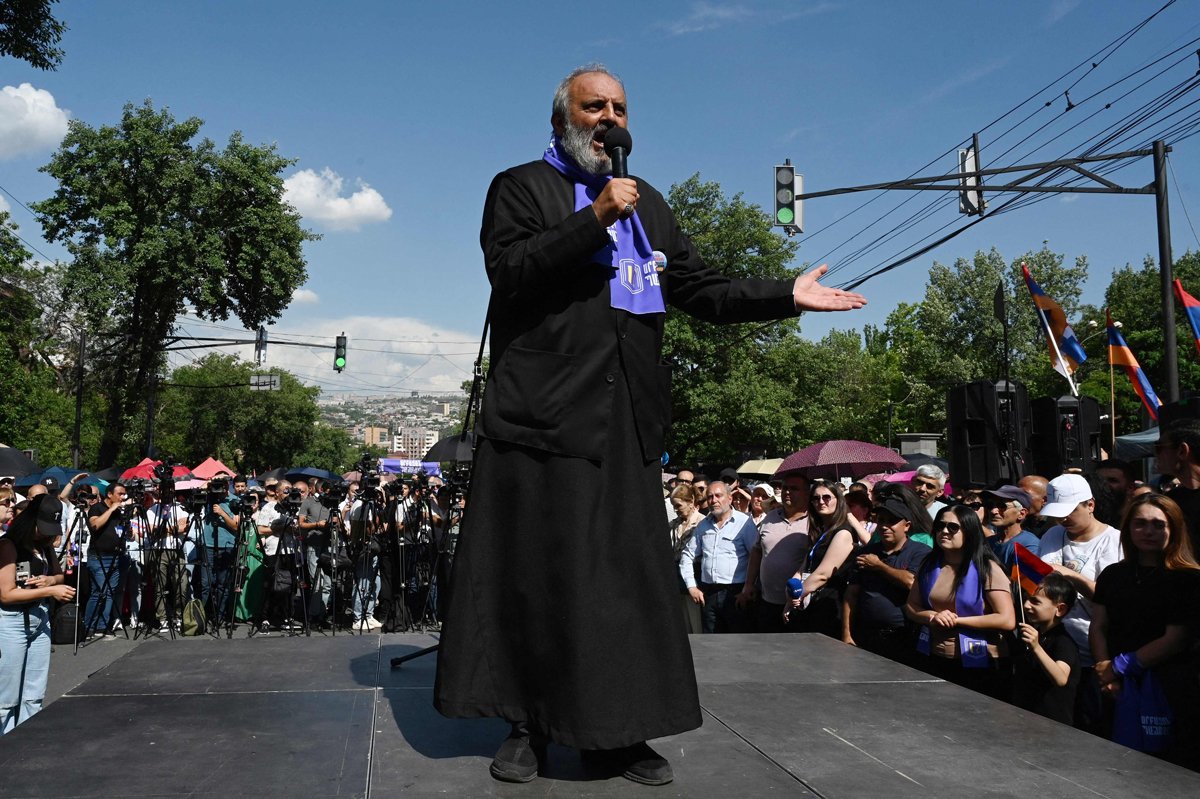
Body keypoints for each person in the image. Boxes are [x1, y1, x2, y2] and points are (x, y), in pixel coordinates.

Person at [433, 63, 866, 786]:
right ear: (562, 118)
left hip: (626, 419)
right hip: (544, 417)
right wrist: (594, 216)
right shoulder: (521, 188)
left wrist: (784, 295)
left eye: (619, 107)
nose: (609, 117)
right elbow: (510, 271)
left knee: (623, 588)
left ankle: (616, 731)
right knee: (541, 578)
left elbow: (701, 287)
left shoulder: (649, 205)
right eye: (593, 105)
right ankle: (528, 724)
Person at [1091, 494, 1200, 768]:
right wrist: (1106, 672)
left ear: (1173, 529)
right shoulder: (1113, 575)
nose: (1149, 531)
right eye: (1140, 524)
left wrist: (1119, 666)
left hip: (1171, 689)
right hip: (1118, 689)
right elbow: (1099, 626)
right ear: (1127, 528)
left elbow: (1176, 639)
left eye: (1158, 524)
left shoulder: (1188, 579)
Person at [1037, 472, 1121, 734]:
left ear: (1090, 505)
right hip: (1056, 650)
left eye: (1069, 511)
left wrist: (1070, 575)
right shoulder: (1053, 534)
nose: (1063, 519)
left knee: (1093, 723)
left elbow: (1110, 598)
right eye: (1057, 512)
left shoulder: (1113, 541)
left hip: (1094, 651)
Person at [905, 505, 1016, 700]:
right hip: (935, 658)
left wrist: (957, 621)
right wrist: (933, 616)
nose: (944, 531)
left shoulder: (987, 568)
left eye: (953, 527)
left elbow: (1006, 620)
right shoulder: (929, 565)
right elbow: (911, 607)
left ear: (969, 531)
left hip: (982, 664)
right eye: (940, 526)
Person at [0, 495, 74, 734]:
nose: (45, 534)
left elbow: (60, 575)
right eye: (42, 528)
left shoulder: (43, 546)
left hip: (39, 619)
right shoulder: (8, 545)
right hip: (11, 622)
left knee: (34, 694)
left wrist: (49, 581)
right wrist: (51, 589)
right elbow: (6, 594)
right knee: (7, 697)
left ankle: (27, 743)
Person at [842, 496, 930, 663]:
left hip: (903, 637)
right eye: (881, 520)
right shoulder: (865, 552)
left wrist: (879, 566)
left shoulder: (920, 552)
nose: (885, 526)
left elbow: (911, 582)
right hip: (866, 636)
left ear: (907, 526)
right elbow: (851, 595)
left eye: (892, 521)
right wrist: (847, 634)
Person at [678, 482, 758, 634]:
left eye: (718, 495)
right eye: (709, 497)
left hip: (736, 593)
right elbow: (687, 555)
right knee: (711, 645)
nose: (713, 500)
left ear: (729, 498)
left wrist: (749, 588)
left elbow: (757, 556)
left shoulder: (744, 523)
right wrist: (691, 587)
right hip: (709, 594)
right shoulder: (703, 526)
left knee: (739, 644)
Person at [785, 480, 859, 638]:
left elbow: (822, 575)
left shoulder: (843, 533)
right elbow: (803, 568)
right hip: (810, 604)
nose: (821, 501)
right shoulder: (821, 532)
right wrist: (790, 596)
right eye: (816, 498)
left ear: (838, 501)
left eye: (827, 497)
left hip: (830, 607)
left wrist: (796, 596)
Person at [743, 472, 810, 633]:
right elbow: (757, 552)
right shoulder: (770, 518)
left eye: (794, 488)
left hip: (798, 605)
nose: (787, 491)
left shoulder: (815, 522)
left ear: (807, 493)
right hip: (766, 602)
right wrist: (749, 584)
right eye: (785, 488)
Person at [1013, 573, 1080, 725]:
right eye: (1027, 598)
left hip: (1051, 724)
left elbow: (1061, 678)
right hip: (1025, 718)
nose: (1026, 605)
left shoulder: (1063, 641)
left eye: (1035, 602)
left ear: (1060, 609)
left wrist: (1036, 647)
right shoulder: (1032, 634)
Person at [85, 482, 131, 637]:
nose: (122, 497)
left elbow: (126, 533)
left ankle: (102, 625)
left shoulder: (120, 511)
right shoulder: (97, 508)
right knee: (99, 591)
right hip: (99, 557)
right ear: (109, 494)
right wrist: (112, 509)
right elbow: (95, 526)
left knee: (111, 592)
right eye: (120, 494)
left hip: (116, 556)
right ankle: (89, 625)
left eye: (124, 494)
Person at [668, 483, 705, 634]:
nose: (676, 510)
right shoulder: (673, 524)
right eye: (673, 506)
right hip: (675, 578)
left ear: (690, 502)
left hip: (695, 577)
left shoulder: (703, 522)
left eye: (678, 505)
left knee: (696, 623)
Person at [981, 484, 1039, 570]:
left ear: (1021, 514)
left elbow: (1025, 582)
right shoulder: (988, 543)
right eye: (990, 505)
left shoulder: (1029, 545)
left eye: (1002, 506)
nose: (993, 511)